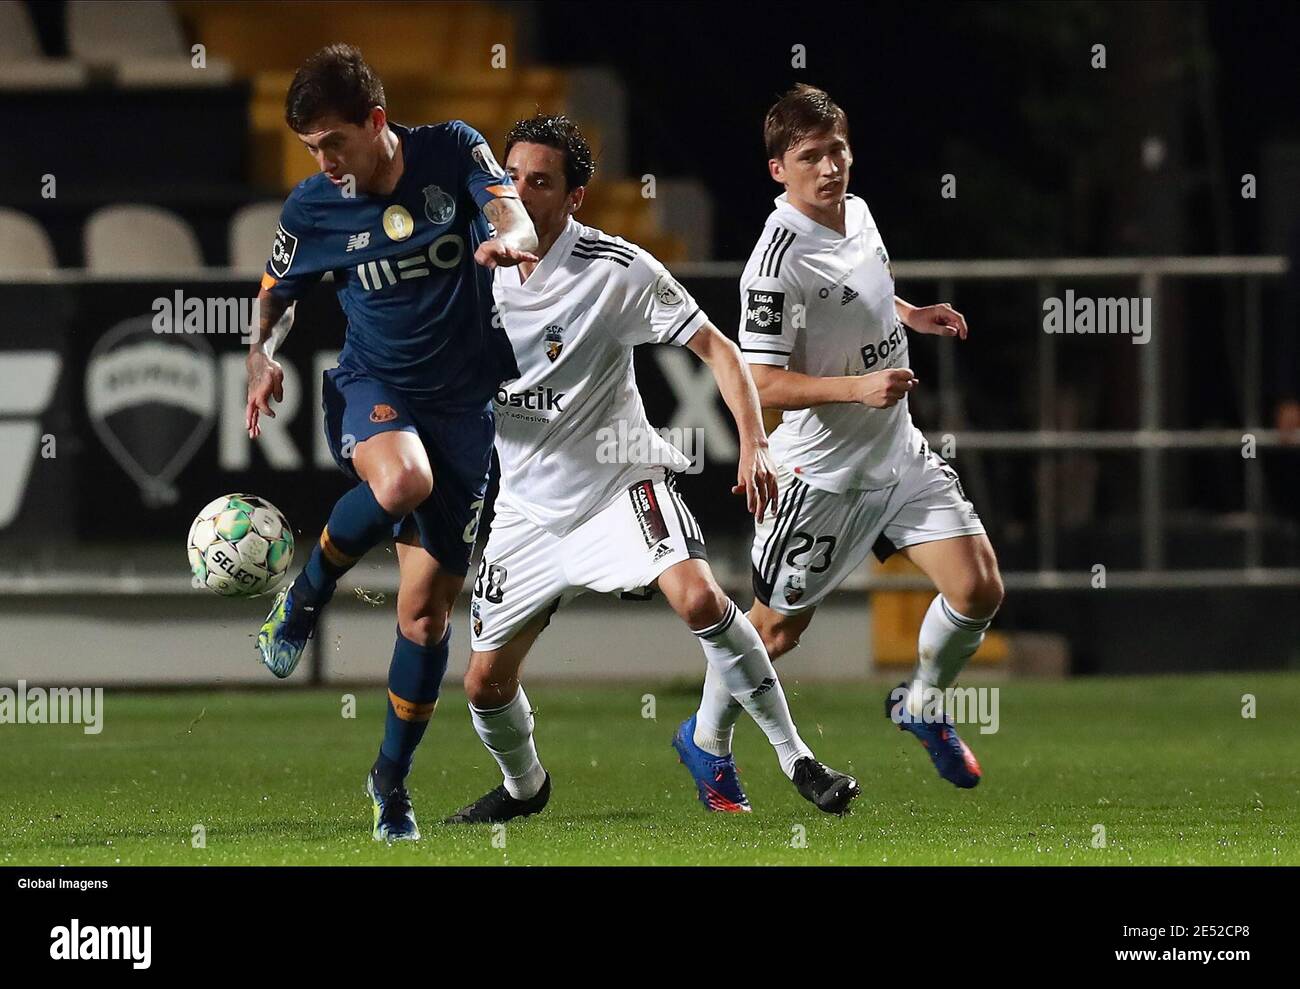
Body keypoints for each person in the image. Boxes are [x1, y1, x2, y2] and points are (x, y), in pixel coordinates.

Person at [445, 114, 860, 823]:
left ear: (574, 197)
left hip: (619, 483)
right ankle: (524, 787)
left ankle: (798, 759)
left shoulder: (616, 269)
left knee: (699, 598)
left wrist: (755, 441)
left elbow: (721, 351)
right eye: (510, 177)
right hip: (526, 512)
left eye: (539, 181)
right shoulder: (465, 269)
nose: (518, 192)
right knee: (483, 683)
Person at [679, 84, 1005, 809]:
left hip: (897, 455)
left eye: (837, 150)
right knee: (772, 631)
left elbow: (865, 294)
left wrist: (911, 313)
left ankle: (919, 703)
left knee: (979, 586)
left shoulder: (856, 212)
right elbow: (760, 382)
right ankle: (706, 738)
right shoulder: (776, 264)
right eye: (809, 157)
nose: (829, 167)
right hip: (821, 477)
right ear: (778, 170)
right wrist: (856, 390)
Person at [245, 45, 538, 841]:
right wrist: (261, 355)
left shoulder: (450, 147)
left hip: (467, 409)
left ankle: (390, 780)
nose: (324, 161)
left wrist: (509, 237)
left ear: (377, 122)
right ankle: (303, 599)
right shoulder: (313, 208)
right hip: (378, 384)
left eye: (334, 141)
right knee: (400, 482)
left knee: (425, 620)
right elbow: (275, 294)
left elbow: (507, 207)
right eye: (312, 148)